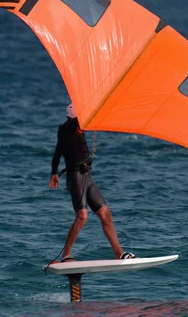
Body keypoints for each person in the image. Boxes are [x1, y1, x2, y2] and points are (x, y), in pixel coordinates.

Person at [48, 103, 135, 262]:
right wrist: (54, 173)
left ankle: (118, 253)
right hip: (75, 177)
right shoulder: (67, 129)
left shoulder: (77, 127)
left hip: (87, 176)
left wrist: (54, 173)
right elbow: (58, 152)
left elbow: (57, 153)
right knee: (82, 216)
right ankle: (66, 254)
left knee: (105, 214)